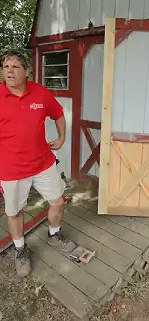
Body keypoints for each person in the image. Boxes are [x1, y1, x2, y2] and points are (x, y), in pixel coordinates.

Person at [0, 50, 77, 277]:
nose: (9, 71)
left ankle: (54, 235)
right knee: (14, 212)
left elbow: (58, 113)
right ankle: (20, 249)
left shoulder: (40, 93)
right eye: (6, 67)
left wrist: (61, 137)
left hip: (43, 163)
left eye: (15, 67)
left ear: (27, 71)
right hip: (11, 168)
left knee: (58, 202)